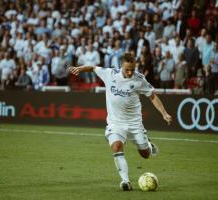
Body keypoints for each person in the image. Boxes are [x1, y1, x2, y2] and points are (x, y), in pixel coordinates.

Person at [69, 52, 172, 191]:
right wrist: (80, 69)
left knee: (145, 154)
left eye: (132, 69)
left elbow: (152, 96)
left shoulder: (139, 79)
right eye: (127, 69)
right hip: (115, 123)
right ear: (121, 66)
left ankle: (148, 145)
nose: (130, 72)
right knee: (116, 146)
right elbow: (93, 68)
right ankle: (125, 181)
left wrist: (164, 114)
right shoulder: (109, 74)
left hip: (135, 123)